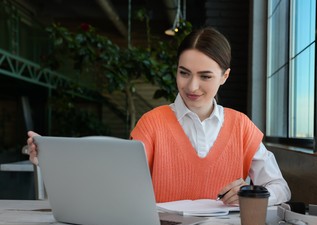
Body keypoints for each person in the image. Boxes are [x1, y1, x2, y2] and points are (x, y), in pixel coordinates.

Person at [27, 27, 291, 206]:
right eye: (184, 73)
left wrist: (253, 191)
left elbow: (280, 186)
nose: (192, 86)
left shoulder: (242, 127)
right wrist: (52, 158)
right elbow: (112, 180)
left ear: (225, 76)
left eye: (205, 76)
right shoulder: (152, 123)